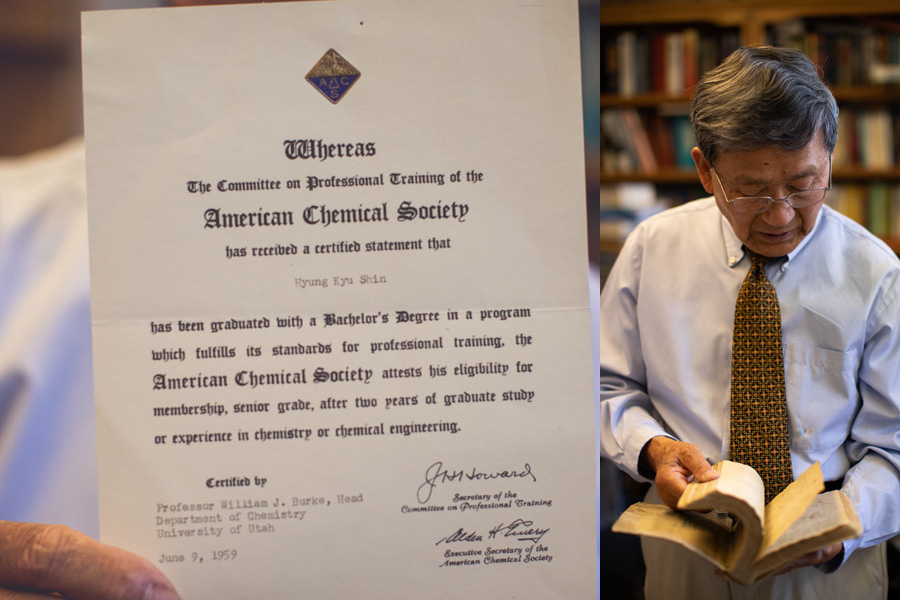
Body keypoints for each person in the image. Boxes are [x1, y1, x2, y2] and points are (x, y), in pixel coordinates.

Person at [597, 45, 900, 599]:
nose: (781, 214)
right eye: (752, 191)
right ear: (705, 171)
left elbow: (896, 445)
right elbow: (608, 387)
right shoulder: (650, 250)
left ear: (829, 157)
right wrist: (655, 449)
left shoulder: (876, 274)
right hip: (686, 537)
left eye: (803, 184)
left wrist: (841, 525)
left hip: (831, 554)